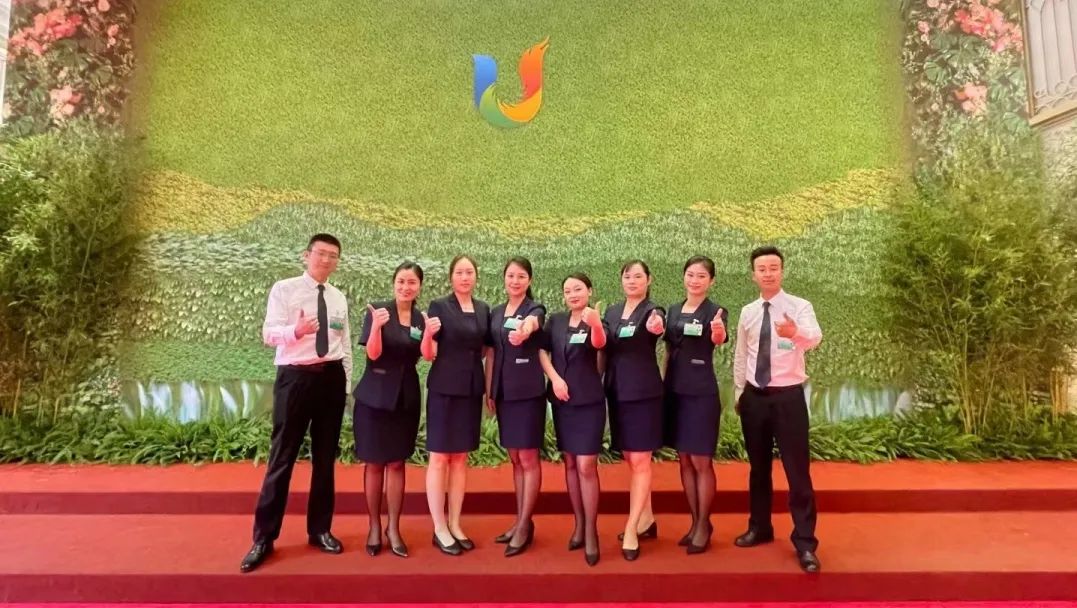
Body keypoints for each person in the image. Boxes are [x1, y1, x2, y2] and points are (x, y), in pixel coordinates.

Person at [240, 233, 352, 573]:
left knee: (325, 460)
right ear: (307, 255)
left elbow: (344, 343)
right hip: (295, 379)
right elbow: (268, 334)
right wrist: (296, 331)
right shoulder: (284, 289)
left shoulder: (338, 297)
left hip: (331, 379)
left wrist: (345, 385)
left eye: (333, 255)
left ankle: (320, 530)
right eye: (321, 253)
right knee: (282, 458)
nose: (326, 260)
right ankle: (263, 538)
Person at [732, 245, 823, 574]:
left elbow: (815, 338)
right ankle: (760, 527)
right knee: (758, 468)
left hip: (788, 398)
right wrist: (740, 392)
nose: (768, 273)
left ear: (782, 271)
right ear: (753, 275)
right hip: (754, 398)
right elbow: (741, 354)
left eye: (773, 268)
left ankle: (805, 542)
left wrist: (794, 332)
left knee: (797, 471)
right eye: (762, 269)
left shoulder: (799, 306)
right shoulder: (748, 312)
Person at [353, 261, 426, 559]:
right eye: (401, 281)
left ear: (419, 286)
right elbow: (372, 354)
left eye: (412, 282)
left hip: (406, 397)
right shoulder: (378, 310)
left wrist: (431, 335)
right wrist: (376, 328)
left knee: (397, 463)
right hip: (374, 396)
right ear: (394, 283)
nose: (406, 287)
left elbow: (425, 355)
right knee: (374, 464)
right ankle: (373, 526)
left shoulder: (421, 318)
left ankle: (393, 528)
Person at [421, 255, 491, 556]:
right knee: (439, 458)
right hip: (444, 388)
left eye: (469, 272)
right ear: (451, 276)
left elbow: (486, 348)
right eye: (460, 272)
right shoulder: (439, 306)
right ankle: (439, 527)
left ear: (476, 276)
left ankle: (455, 523)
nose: (465, 277)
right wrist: (427, 333)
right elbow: (428, 353)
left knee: (461, 458)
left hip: (471, 388)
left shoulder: (484, 309)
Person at [539, 272, 608, 566]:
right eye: (568, 291)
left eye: (578, 289)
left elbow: (600, 344)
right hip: (563, 400)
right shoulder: (555, 320)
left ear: (589, 290)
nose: (573, 294)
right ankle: (578, 524)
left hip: (590, 402)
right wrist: (554, 379)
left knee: (585, 465)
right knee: (569, 462)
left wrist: (595, 324)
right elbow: (542, 351)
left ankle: (591, 531)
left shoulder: (595, 320)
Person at [663, 255, 728, 555]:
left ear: (711, 281)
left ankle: (704, 524)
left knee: (701, 461)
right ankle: (694, 521)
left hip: (701, 392)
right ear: (683, 277)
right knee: (684, 459)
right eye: (690, 274)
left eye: (701, 276)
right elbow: (668, 349)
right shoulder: (673, 310)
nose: (695, 280)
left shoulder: (716, 311)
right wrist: (663, 384)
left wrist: (718, 333)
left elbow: (719, 337)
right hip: (675, 390)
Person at [603, 260, 665, 561]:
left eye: (638, 276)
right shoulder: (612, 312)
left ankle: (631, 529)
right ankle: (647, 519)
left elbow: (657, 325)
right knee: (630, 457)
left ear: (648, 280)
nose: (632, 280)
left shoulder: (652, 310)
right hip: (616, 391)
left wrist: (656, 325)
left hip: (643, 394)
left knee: (641, 459)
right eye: (627, 276)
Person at [485, 257, 547, 557]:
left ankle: (524, 525)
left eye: (521, 276)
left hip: (528, 392)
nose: (515, 281)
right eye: (511, 275)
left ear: (529, 280)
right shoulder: (496, 313)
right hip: (504, 392)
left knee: (528, 457)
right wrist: (489, 390)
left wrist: (525, 329)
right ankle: (520, 519)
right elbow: (492, 353)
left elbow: (534, 322)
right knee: (514, 458)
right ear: (504, 278)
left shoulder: (535, 309)